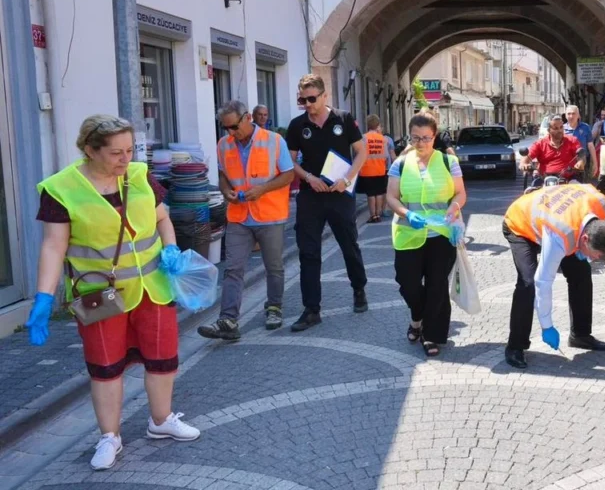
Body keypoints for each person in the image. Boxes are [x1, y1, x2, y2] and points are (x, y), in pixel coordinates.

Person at [25, 115, 200, 471]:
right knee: (105, 367)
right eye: (115, 153)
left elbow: (162, 218)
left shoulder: (139, 176)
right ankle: (109, 436)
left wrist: (171, 248)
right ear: (90, 150)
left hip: (153, 287)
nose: (126, 159)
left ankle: (161, 420)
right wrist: (43, 296)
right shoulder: (61, 190)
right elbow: (53, 247)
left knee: (163, 358)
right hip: (99, 295)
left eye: (129, 150)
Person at [198, 101, 294, 341]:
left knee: (274, 266)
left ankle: (274, 308)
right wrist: (225, 190)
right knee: (233, 269)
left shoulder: (274, 141)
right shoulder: (224, 145)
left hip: (269, 214)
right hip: (239, 216)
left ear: (247, 118)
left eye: (234, 126)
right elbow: (223, 175)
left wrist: (262, 189)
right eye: (226, 128)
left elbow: (289, 174)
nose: (231, 132)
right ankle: (228, 320)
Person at [502, 183, 605, 369]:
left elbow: (584, 186)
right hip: (520, 223)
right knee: (528, 283)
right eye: (595, 255)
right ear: (585, 239)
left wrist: (587, 255)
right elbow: (543, 281)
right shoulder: (560, 235)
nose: (594, 259)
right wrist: (547, 325)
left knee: (581, 274)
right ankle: (515, 346)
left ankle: (580, 335)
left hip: (555, 217)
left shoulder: (602, 204)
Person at [286, 74, 368, 331]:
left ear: (324, 96)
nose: (307, 104)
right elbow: (290, 161)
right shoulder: (297, 125)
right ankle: (312, 309)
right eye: (303, 100)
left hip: (339, 192)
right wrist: (309, 178)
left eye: (312, 99)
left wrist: (347, 178)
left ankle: (359, 289)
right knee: (308, 251)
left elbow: (362, 151)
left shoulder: (343, 119)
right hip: (312, 195)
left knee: (348, 244)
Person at [387, 112, 467, 357]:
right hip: (408, 234)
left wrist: (454, 207)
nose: (420, 143)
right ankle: (416, 317)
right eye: (415, 138)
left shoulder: (448, 162)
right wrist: (406, 214)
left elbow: (460, 193)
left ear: (435, 137)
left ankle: (432, 335)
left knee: (436, 288)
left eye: (426, 138)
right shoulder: (400, 163)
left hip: (441, 235)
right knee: (407, 283)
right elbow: (391, 196)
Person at [520, 115, 585, 184]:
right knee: (531, 191)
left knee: (579, 189)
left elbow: (581, 155)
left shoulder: (572, 140)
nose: (559, 130)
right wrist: (524, 164)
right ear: (549, 130)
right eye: (556, 128)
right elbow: (527, 157)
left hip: (569, 180)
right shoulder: (540, 144)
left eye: (561, 127)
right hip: (544, 180)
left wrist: (581, 162)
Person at [358, 114, 394, 224]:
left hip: (367, 170)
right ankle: (378, 214)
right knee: (379, 193)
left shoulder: (363, 138)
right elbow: (386, 156)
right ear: (377, 125)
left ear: (367, 125)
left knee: (370, 194)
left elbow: (360, 154)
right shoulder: (383, 139)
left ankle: (372, 215)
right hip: (380, 169)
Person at [564, 105, 599, 181]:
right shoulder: (562, 129)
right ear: (566, 115)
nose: (571, 116)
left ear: (578, 115)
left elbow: (590, 146)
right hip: (566, 164)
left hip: (582, 163)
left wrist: (595, 163)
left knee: (581, 187)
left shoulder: (585, 127)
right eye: (569, 114)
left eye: (574, 113)